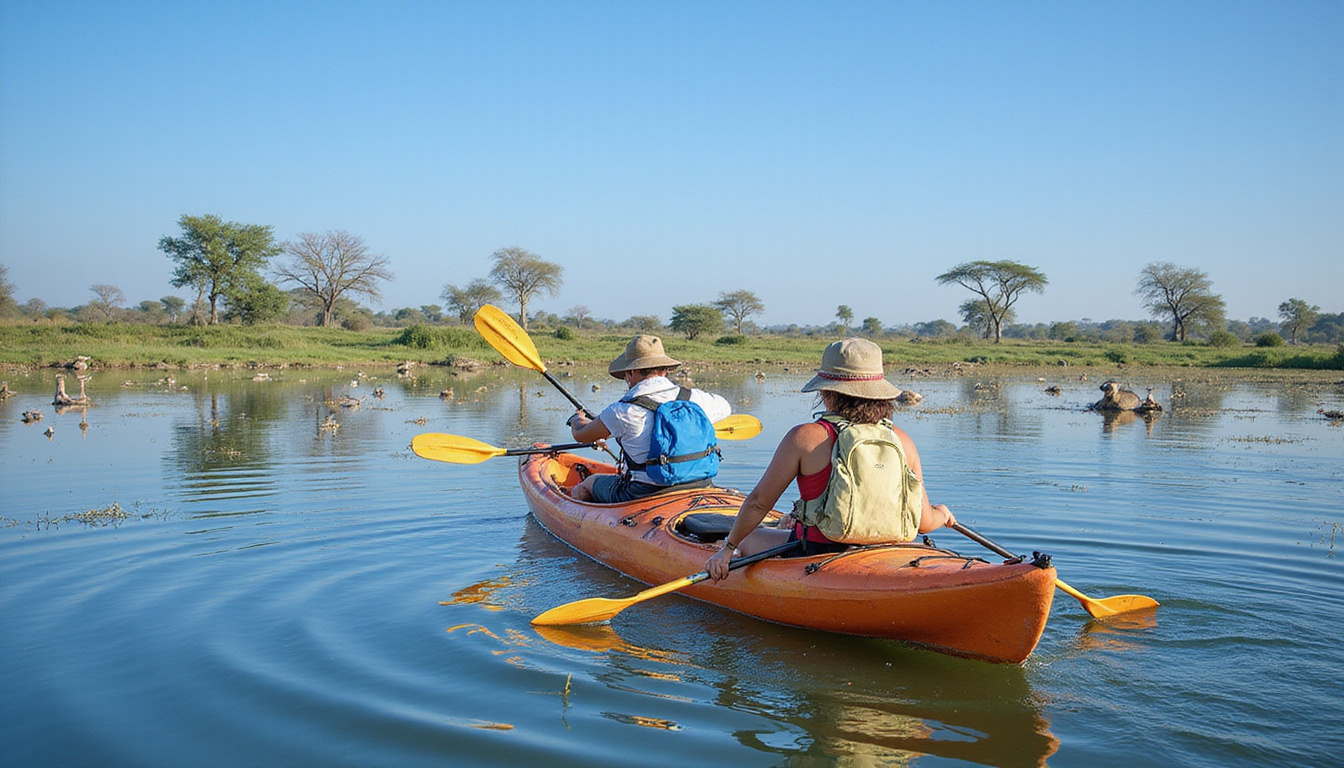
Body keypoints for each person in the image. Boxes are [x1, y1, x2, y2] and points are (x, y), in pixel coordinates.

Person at [706, 337, 956, 582]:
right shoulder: (902, 440)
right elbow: (923, 523)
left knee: (750, 538)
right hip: (890, 552)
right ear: (880, 395)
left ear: (827, 392)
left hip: (818, 551)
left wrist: (728, 548)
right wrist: (942, 514)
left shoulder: (805, 437)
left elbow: (759, 504)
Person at [567, 334, 732, 503]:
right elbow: (726, 407)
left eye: (626, 375)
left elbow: (581, 435)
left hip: (644, 491)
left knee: (587, 484)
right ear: (664, 370)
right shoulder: (696, 398)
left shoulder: (622, 411)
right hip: (701, 484)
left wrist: (577, 419)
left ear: (631, 372)